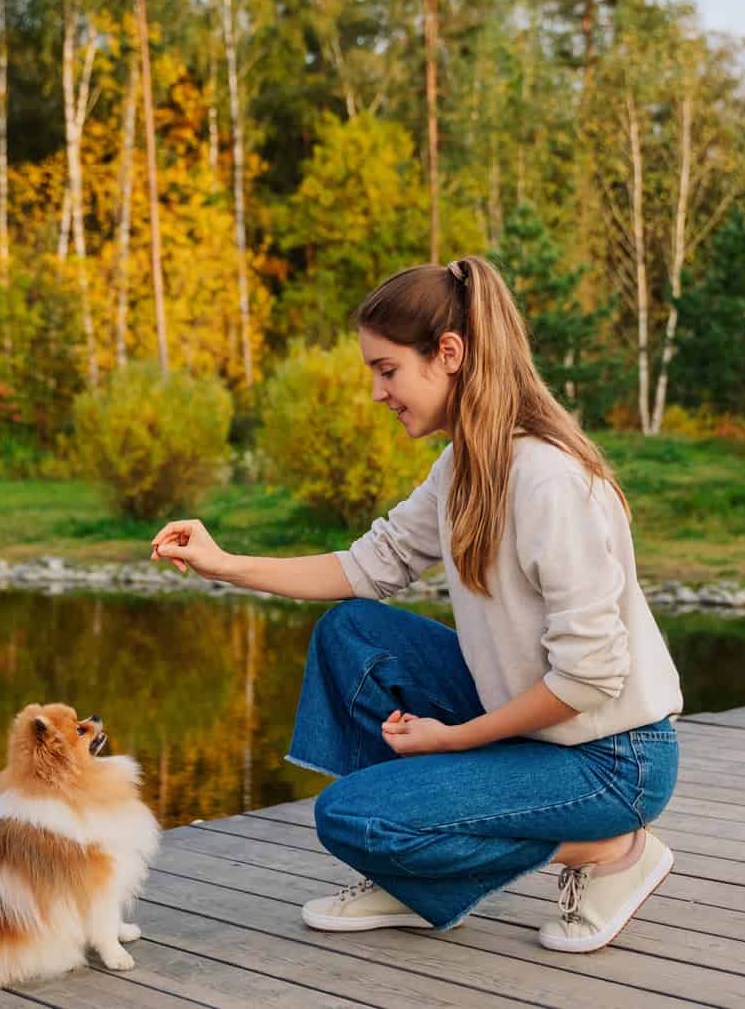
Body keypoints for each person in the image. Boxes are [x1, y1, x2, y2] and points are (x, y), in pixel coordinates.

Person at [149, 255, 682, 953]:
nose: (376, 391)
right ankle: (411, 867)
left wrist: (454, 738)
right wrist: (223, 563)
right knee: (352, 634)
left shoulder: (548, 480)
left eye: (387, 369)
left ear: (449, 355)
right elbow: (367, 566)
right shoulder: (462, 466)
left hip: (613, 761)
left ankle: (609, 850)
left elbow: (589, 678)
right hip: (537, 731)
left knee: (351, 820)